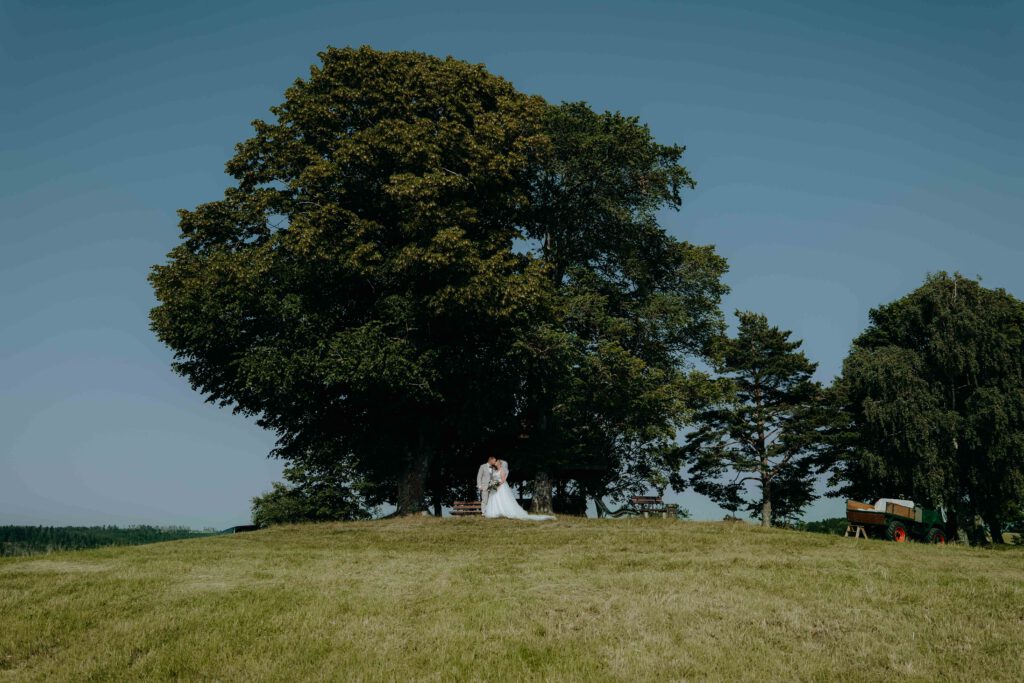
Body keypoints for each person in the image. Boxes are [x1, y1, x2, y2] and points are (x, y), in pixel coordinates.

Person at [482, 457, 555, 521]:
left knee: (502, 499)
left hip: (501, 486)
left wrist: (497, 486)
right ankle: (495, 512)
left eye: (497, 461)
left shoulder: (501, 470)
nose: (496, 462)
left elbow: (503, 479)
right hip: (496, 486)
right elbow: (494, 478)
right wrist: (493, 485)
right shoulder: (495, 470)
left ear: (500, 464)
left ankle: (503, 511)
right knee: (494, 498)